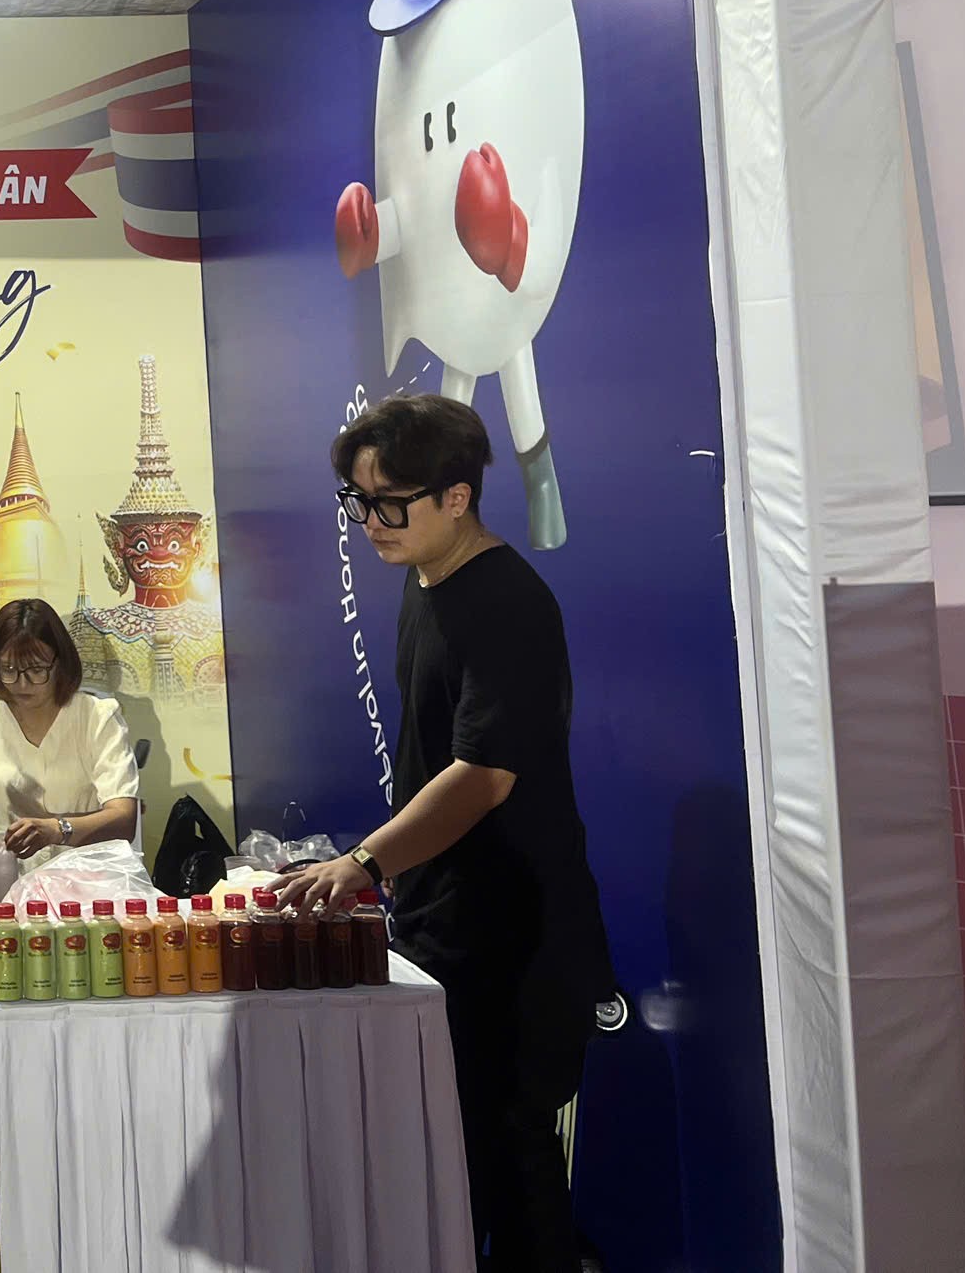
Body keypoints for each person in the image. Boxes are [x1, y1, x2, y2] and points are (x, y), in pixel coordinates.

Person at [277, 394, 614, 1273]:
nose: (370, 524)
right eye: (358, 502)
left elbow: (482, 776)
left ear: (457, 498)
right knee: (456, 1152)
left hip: (517, 930)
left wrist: (363, 861)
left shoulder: (506, 602)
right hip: (444, 914)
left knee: (516, 1153)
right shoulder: (423, 582)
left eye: (390, 504)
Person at [0, 598, 140, 899]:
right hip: (0, 885)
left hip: (87, 888)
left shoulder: (96, 718)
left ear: (60, 662)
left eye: (36, 670)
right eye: (9, 669)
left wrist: (57, 829)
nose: (22, 684)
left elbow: (123, 818)